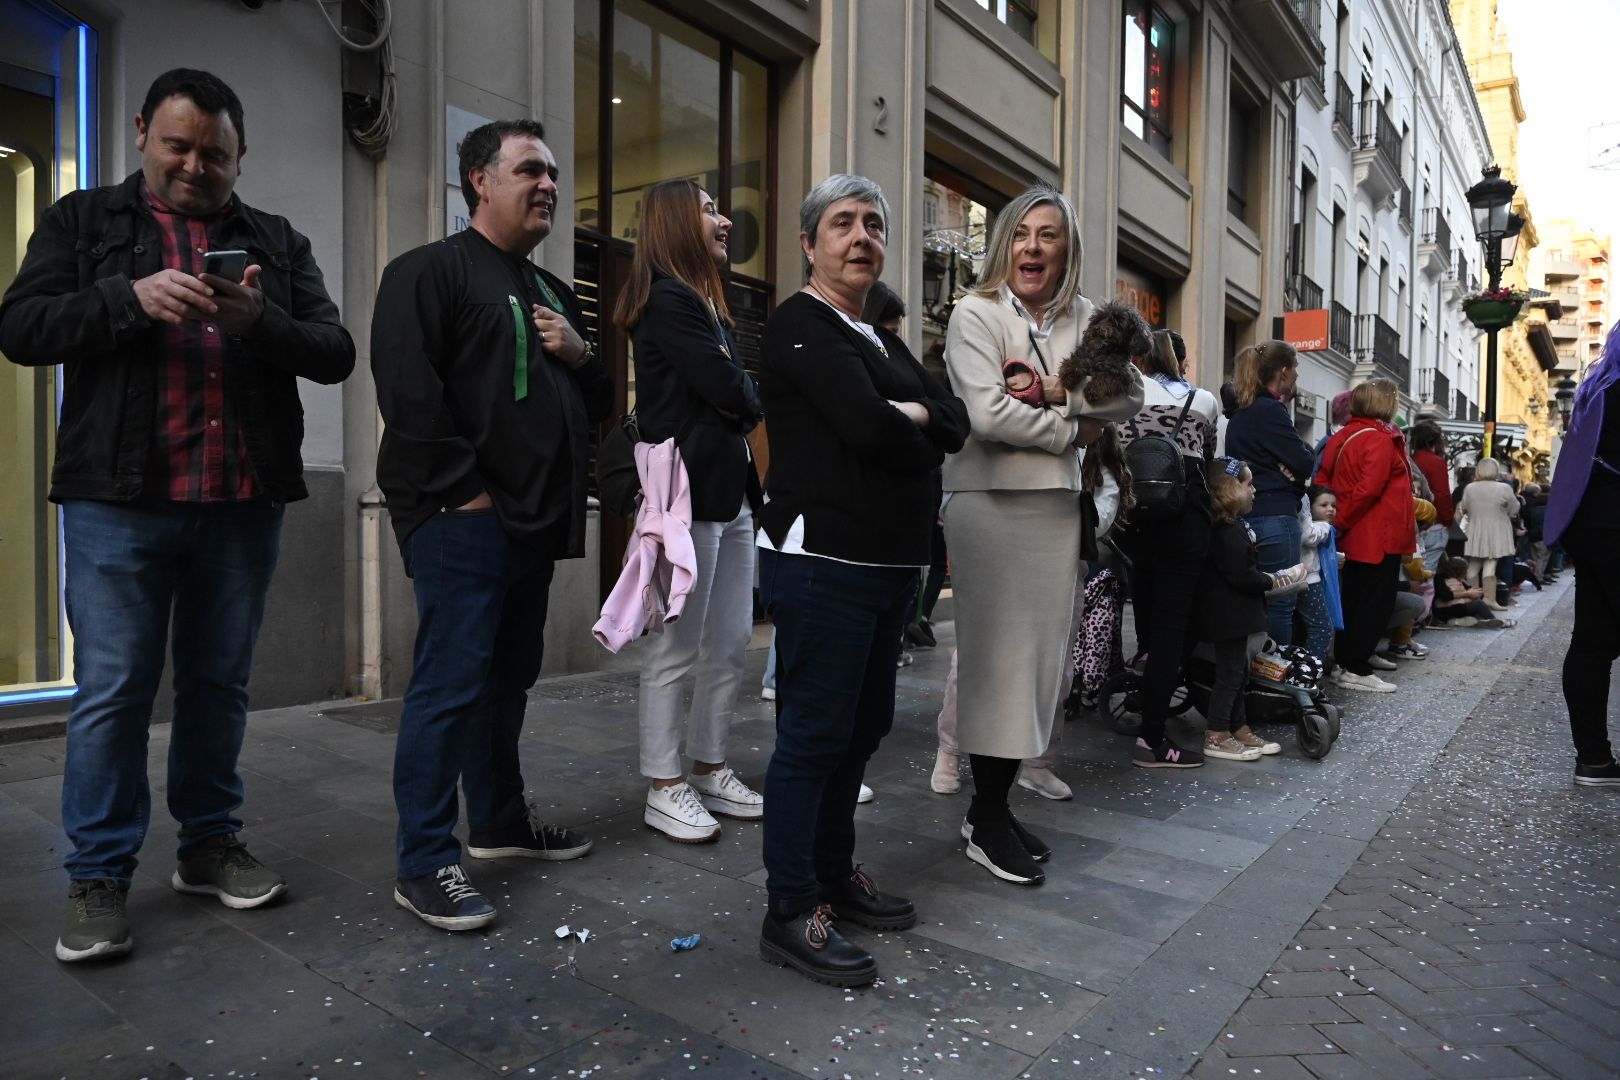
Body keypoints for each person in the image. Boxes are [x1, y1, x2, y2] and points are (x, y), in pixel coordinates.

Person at [0, 69, 355, 962]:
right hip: (117, 504)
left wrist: (259, 322)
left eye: (217, 154)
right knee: (114, 692)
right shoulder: (85, 222)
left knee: (217, 685)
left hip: (239, 504)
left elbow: (336, 351)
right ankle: (98, 876)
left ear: (242, 157)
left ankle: (207, 845)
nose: (197, 166)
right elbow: (21, 328)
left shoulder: (275, 239)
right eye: (180, 146)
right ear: (141, 135)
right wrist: (129, 299)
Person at [371, 120, 612, 931]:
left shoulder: (550, 291)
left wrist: (581, 354)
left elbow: (602, 403)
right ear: (480, 179)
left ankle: (501, 822)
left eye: (551, 172)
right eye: (529, 170)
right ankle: (425, 860)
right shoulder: (428, 272)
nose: (547, 184)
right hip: (463, 518)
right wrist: (462, 494)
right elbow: (408, 392)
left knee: (508, 681)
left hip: (531, 528)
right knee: (449, 687)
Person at [755, 174, 968, 985]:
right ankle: (789, 908)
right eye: (842, 224)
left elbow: (953, 417)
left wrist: (912, 414)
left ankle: (834, 872)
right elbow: (868, 430)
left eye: (873, 224)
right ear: (810, 244)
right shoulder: (800, 326)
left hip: (888, 566)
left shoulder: (878, 336)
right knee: (813, 737)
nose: (861, 237)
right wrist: (910, 418)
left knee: (864, 726)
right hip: (825, 563)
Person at [942, 185, 1144, 883]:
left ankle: (991, 809)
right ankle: (985, 813)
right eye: (1022, 233)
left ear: (1066, 248)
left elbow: (1130, 397)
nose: (1032, 247)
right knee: (997, 663)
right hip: (989, 505)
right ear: (1005, 242)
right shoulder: (976, 313)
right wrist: (1073, 430)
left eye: (1048, 235)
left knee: (1037, 670)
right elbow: (988, 416)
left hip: (1055, 510)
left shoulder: (1088, 319)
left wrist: (1063, 393)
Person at [609, 179, 765, 843]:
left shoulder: (707, 304)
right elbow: (730, 389)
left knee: (729, 644)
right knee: (676, 647)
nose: (724, 220)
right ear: (675, 222)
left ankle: (709, 766)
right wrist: (744, 396)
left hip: (729, 495)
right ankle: (664, 783)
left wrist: (740, 397)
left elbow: (733, 394)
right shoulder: (669, 300)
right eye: (708, 211)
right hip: (685, 496)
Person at [1116, 329, 1222, 767]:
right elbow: (1214, 462)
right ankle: (1153, 737)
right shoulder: (1204, 401)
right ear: (1180, 360)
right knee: (1174, 629)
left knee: (1145, 619)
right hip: (1185, 522)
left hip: (1133, 521)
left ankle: (1143, 687)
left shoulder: (1121, 397)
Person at [1545, 323, 1620, 786]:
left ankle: (1593, 757)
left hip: (1591, 526)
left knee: (1592, 645)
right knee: (1593, 647)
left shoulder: (1597, 392)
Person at [1313, 379, 1414, 694]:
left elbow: (1323, 480)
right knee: (1373, 603)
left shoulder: (1341, 436)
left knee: (1352, 601)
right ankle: (1356, 666)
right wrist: (1341, 520)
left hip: (1354, 534)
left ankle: (1345, 664)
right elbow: (1369, 489)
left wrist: (1335, 521)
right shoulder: (1381, 440)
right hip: (1378, 535)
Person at [1198, 459, 1297, 760]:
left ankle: (1237, 727)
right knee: (1230, 675)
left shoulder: (1232, 526)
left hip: (1235, 615)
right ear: (1231, 488)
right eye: (1248, 484)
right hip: (1228, 615)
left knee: (1238, 673)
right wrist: (1274, 579)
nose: (1254, 490)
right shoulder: (1225, 530)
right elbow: (1242, 576)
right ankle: (1216, 734)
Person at [1223, 341, 1314, 647]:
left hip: (1248, 519)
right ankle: (1275, 677)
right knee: (1280, 603)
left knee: (1254, 602)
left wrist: (1292, 468)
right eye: (1296, 368)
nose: (1298, 375)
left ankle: (1253, 674)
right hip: (1276, 518)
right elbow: (1305, 460)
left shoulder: (1241, 412)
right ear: (1284, 371)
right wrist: (1292, 472)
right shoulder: (1270, 410)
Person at [1456, 456, 1518, 611]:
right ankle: (1489, 599)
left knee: (1473, 566)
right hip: (1497, 530)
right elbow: (1514, 508)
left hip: (1475, 529)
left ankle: (1473, 598)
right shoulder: (1504, 488)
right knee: (1490, 565)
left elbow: (1463, 508)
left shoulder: (1470, 488)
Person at [1296, 486, 1342, 667]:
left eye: (1333, 505)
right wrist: (1326, 527)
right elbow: (1309, 539)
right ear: (1310, 506)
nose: (1330, 509)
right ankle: (1310, 674)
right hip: (1308, 581)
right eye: (1324, 505)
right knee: (1322, 629)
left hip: (1307, 580)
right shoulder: (1319, 528)